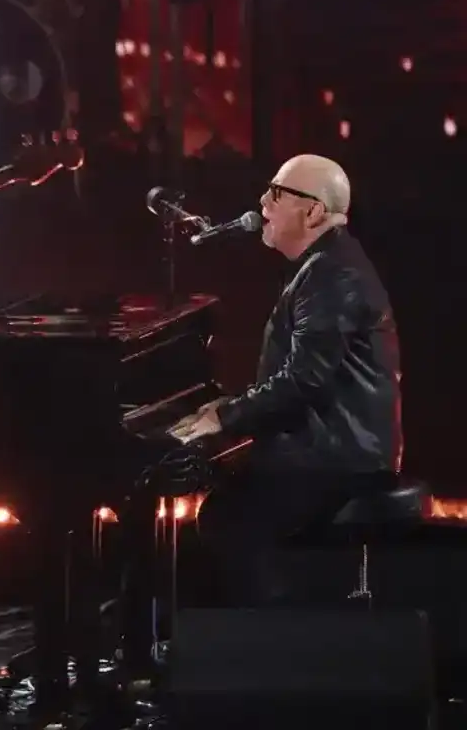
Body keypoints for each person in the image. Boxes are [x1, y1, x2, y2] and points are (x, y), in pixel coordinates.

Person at [172, 153, 402, 608]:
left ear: (313, 210)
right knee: (227, 498)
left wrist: (226, 417)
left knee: (227, 515)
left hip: (341, 461)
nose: (262, 202)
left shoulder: (332, 275)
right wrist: (230, 414)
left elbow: (304, 381)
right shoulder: (326, 265)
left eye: (276, 192)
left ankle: (269, 641)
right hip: (335, 448)